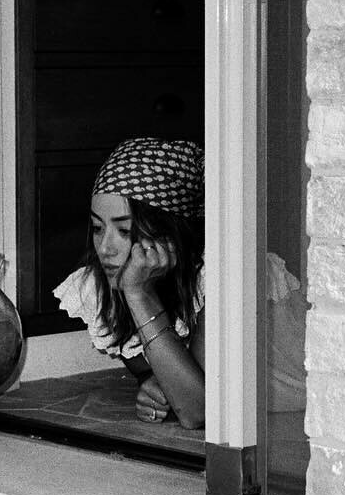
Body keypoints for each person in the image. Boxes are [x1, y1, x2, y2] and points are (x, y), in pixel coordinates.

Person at [53, 137, 306, 430]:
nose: (105, 248)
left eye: (124, 230)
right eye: (98, 228)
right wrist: (154, 385)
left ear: (169, 233)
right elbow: (162, 380)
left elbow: (198, 410)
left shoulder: (226, 274)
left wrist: (139, 294)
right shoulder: (111, 281)